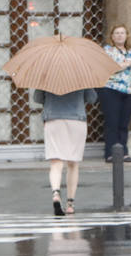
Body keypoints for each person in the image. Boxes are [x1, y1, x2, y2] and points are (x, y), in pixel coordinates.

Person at [34, 86, 98, 216]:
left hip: (53, 120)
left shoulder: (46, 75)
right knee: (73, 164)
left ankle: (56, 193)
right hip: (76, 120)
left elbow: (37, 98)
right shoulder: (82, 75)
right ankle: (70, 204)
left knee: (56, 163)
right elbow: (92, 99)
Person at [99, 25, 131, 162]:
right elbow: (110, 68)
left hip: (128, 91)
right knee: (112, 122)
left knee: (124, 123)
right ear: (112, 36)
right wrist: (130, 63)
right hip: (111, 89)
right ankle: (110, 153)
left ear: (126, 35)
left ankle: (123, 152)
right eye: (116, 33)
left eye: (122, 33)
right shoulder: (107, 51)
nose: (119, 35)